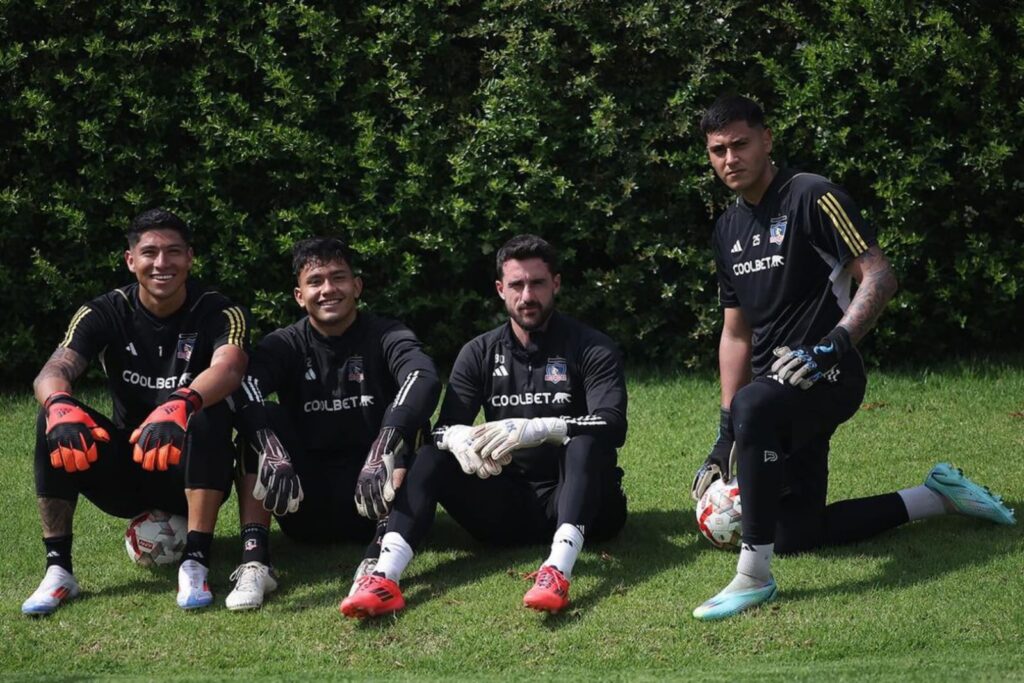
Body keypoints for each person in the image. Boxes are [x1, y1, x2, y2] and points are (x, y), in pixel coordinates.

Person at [690, 95, 1016, 620]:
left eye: (740, 144)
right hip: (770, 392)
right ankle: (938, 497)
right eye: (718, 150)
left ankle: (753, 577)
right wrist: (726, 432)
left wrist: (831, 347)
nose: (730, 159)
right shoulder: (726, 229)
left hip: (829, 373)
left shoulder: (812, 196)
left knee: (755, 407)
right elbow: (735, 334)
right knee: (796, 533)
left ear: (767, 140)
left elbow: (880, 276)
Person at [340, 234, 629, 618]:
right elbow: (442, 429)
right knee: (431, 455)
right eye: (516, 285)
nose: (527, 296)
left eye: (538, 283)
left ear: (556, 283)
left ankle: (556, 572)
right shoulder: (479, 351)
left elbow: (612, 424)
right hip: (505, 508)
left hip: (587, 506)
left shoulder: (591, 346)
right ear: (500, 289)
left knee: (584, 442)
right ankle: (384, 578)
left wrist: (543, 427)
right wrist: (458, 438)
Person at [22, 208, 249, 615]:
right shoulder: (105, 310)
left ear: (190, 258)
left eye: (174, 252)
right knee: (52, 418)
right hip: (126, 464)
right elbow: (54, 369)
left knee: (212, 414)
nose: (162, 263)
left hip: (186, 468)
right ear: (131, 260)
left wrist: (181, 404)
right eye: (150, 253)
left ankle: (196, 560)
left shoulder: (218, 310)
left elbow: (229, 368)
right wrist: (58, 404)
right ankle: (59, 570)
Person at [225, 237, 441, 610]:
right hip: (301, 504)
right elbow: (242, 387)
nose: (328, 289)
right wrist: (272, 448)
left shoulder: (386, 334)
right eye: (316, 281)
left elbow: (423, 377)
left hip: (374, 501)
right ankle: (255, 560)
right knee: (260, 422)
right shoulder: (285, 343)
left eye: (338, 277)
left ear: (356, 286)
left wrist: (383, 444)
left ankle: (378, 556)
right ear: (299, 294)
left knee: (416, 427)